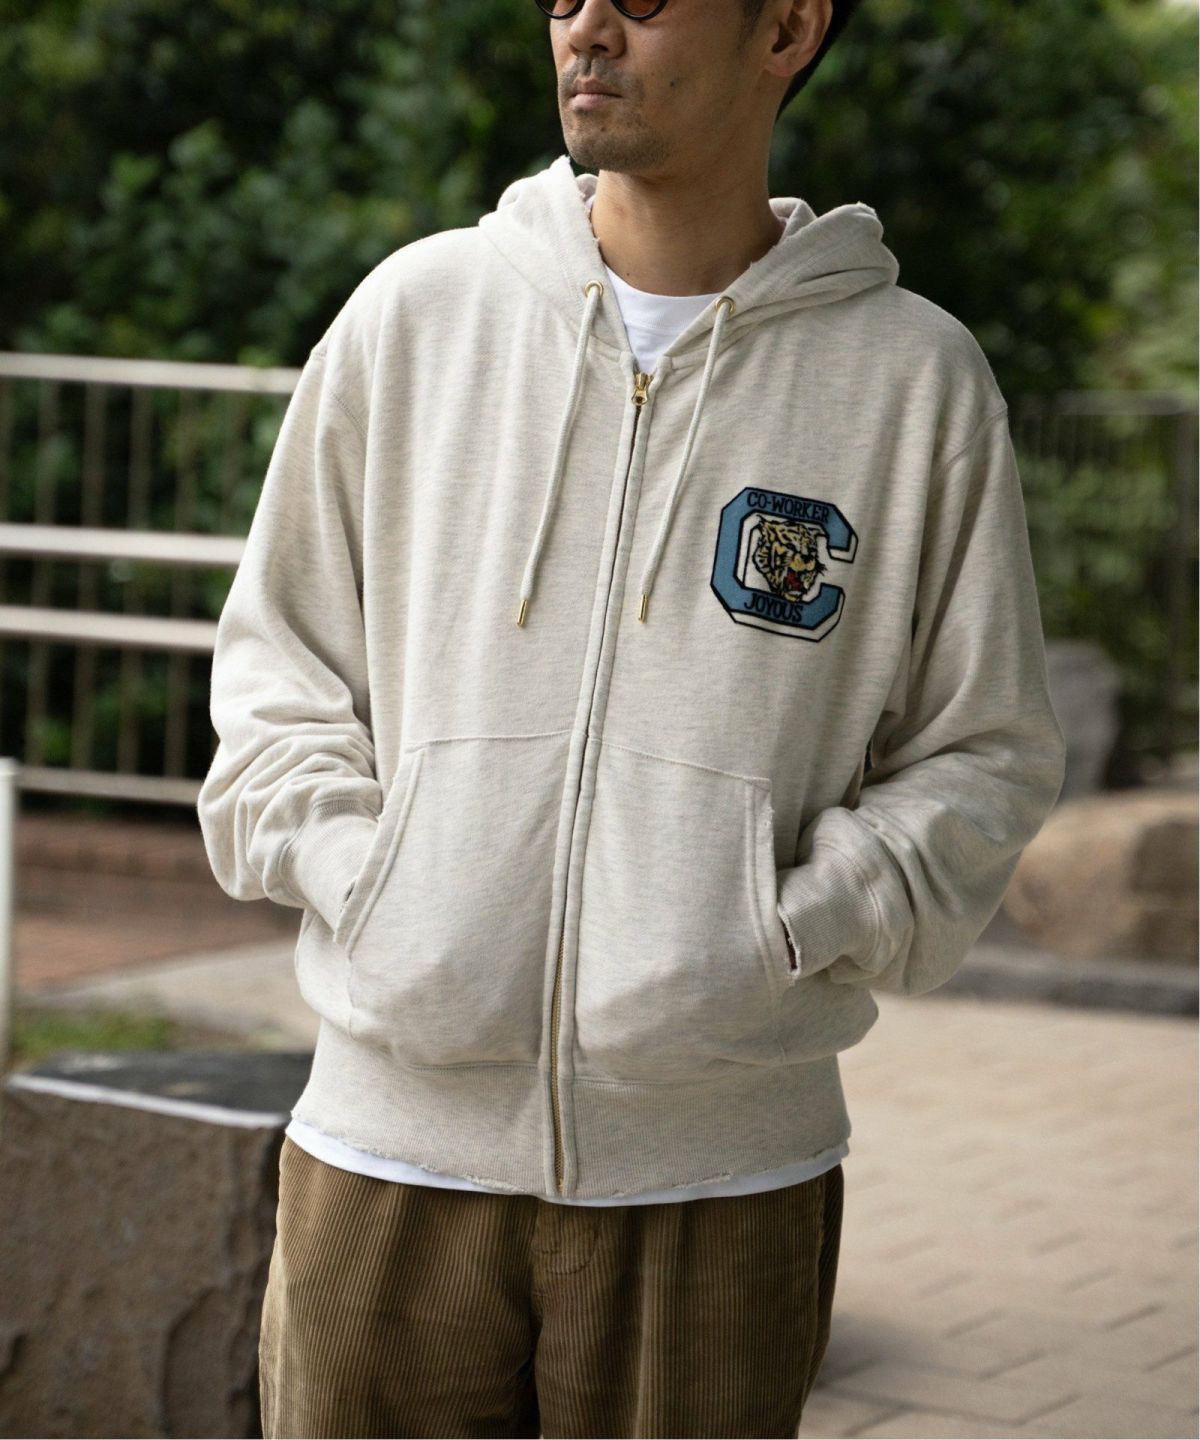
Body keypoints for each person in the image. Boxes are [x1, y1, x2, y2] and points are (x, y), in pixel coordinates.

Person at [197, 0, 1068, 1433]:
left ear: (787, 28)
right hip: (386, 1155)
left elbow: (982, 751)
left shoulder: (912, 382)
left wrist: (783, 929)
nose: (588, 28)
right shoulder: (417, 319)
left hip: (722, 1177)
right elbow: (276, 671)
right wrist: (376, 882)